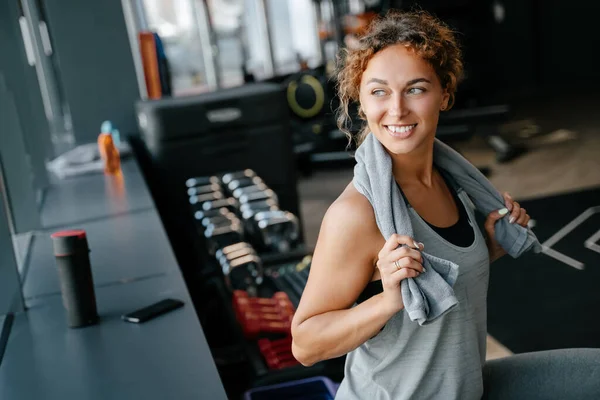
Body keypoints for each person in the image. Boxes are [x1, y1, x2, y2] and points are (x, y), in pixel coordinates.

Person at [290, 10, 537, 399]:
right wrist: (389, 300)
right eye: (379, 91)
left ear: (445, 94)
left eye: (416, 89)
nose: (397, 109)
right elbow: (305, 345)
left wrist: (490, 247)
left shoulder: (451, 180)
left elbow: (437, 280)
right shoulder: (356, 214)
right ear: (362, 101)